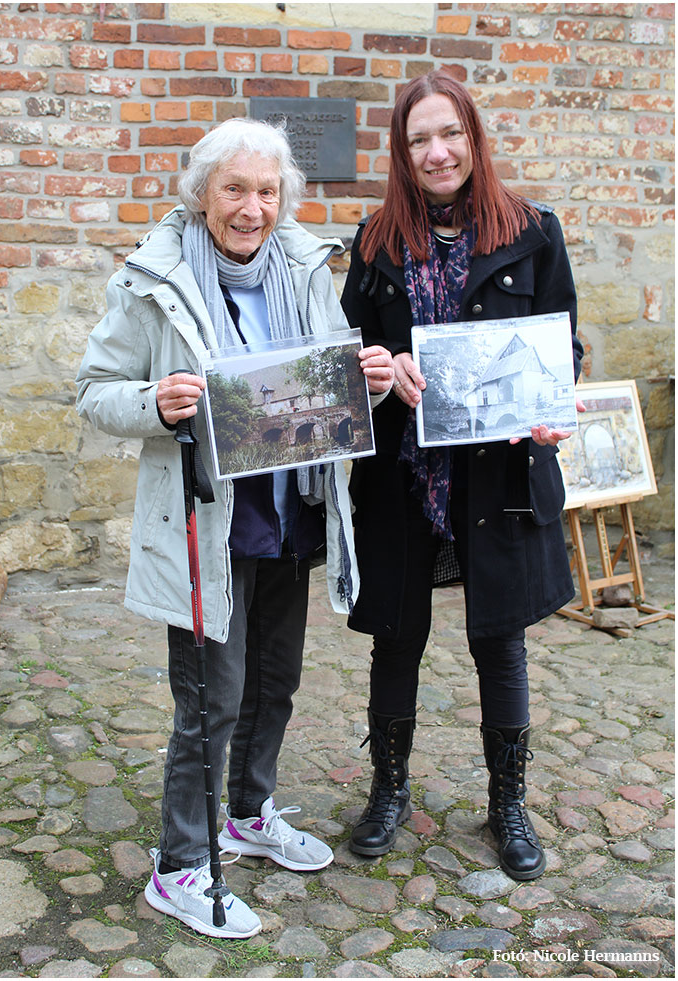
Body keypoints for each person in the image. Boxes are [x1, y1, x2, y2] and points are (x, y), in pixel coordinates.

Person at [76, 118, 394, 938]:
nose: (252, 207)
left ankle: (249, 812)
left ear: (283, 196)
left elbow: (332, 386)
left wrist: (373, 381)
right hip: (208, 523)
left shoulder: (302, 264)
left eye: (266, 190)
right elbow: (95, 389)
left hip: (290, 514)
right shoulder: (154, 279)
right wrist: (157, 403)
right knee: (209, 702)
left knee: (274, 684)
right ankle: (180, 863)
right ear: (202, 194)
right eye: (235, 189)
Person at [341, 70, 583, 881]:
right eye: (419, 141)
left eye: (449, 134)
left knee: (499, 639)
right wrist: (380, 368)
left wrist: (553, 403)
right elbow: (345, 357)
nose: (437, 152)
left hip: (498, 474)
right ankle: (389, 791)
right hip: (402, 472)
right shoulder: (375, 244)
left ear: (473, 138)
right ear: (403, 155)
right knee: (394, 637)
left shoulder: (534, 233)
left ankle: (507, 803)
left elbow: (565, 350)